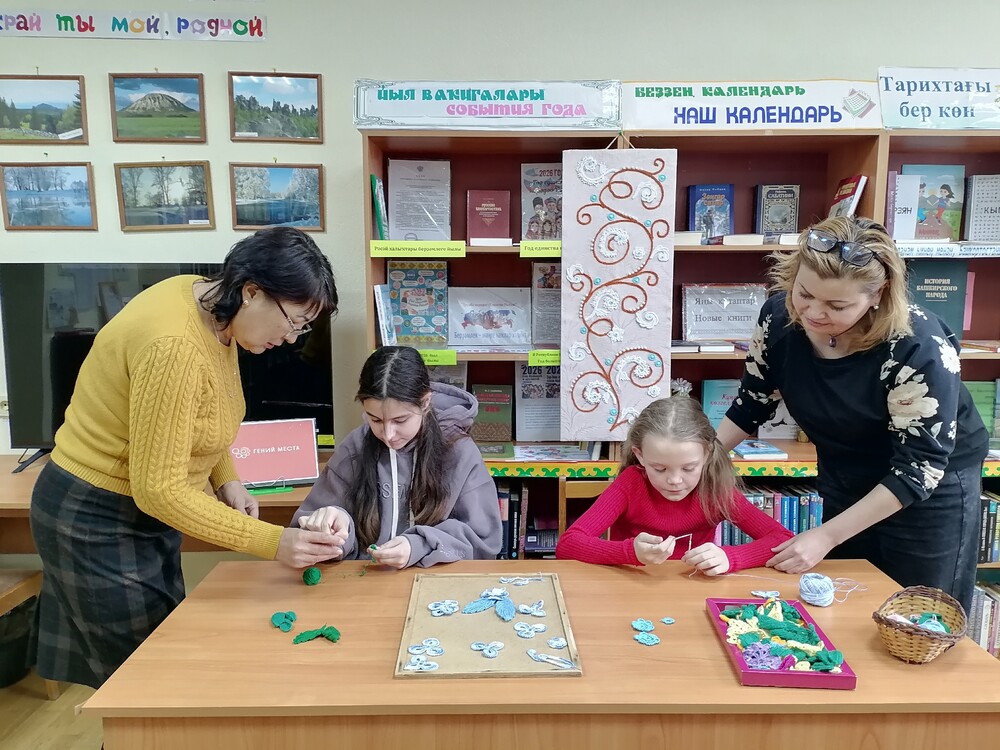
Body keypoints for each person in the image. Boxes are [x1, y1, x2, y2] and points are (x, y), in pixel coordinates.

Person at [29, 227, 342, 690]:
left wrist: (226, 477)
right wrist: (274, 541)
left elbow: (196, 417)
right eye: (293, 321)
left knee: (163, 658)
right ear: (252, 292)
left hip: (136, 505)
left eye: (304, 327)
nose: (293, 338)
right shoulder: (175, 346)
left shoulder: (208, 302)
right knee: (145, 683)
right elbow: (159, 491)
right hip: (96, 514)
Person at [716, 216, 987, 613]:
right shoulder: (778, 316)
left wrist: (826, 536)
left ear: (879, 294)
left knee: (916, 614)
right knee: (847, 601)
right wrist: (698, 462)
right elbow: (751, 402)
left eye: (837, 305)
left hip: (928, 490)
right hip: (845, 471)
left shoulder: (917, 344)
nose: (813, 312)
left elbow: (918, 469)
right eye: (804, 293)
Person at [292, 346, 502, 568]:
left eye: (400, 420)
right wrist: (336, 528)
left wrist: (419, 546)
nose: (388, 434)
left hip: (435, 581)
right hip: (365, 581)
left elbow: (483, 541)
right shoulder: (355, 447)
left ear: (425, 402)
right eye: (375, 420)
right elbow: (304, 531)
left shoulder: (459, 451)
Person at [555, 396, 792, 574]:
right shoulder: (631, 483)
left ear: (707, 454)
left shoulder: (715, 489)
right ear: (640, 456)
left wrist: (731, 558)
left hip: (694, 590)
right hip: (631, 589)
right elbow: (568, 544)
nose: (675, 481)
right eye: (659, 469)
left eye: (689, 468)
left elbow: (782, 538)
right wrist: (630, 552)